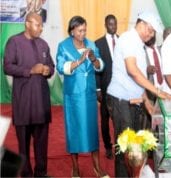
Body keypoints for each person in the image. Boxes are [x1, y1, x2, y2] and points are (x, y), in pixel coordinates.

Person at [106, 11, 171, 177]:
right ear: (142, 24)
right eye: (150, 31)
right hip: (121, 100)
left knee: (135, 147)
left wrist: (146, 102)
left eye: (153, 33)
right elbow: (133, 71)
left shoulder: (138, 44)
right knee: (125, 148)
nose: (151, 35)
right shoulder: (129, 39)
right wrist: (158, 92)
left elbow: (139, 79)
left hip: (134, 101)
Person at [56, 16, 109, 178]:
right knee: (74, 131)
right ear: (72, 30)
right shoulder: (63, 46)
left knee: (92, 130)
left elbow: (101, 66)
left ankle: (97, 167)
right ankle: (75, 168)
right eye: (80, 30)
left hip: (89, 95)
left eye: (85, 30)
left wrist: (94, 60)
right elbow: (60, 67)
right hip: (73, 96)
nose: (83, 33)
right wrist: (79, 61)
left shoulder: (91, 44)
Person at [3, 12, 54, 177]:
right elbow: (7, 67)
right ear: (27, 24)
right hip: (23, 103)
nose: (41, 28)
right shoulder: (14, 42)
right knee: (23, 145)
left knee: (42, 143)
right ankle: (26, 174)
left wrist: (47, 70)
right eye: (37, 25)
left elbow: (51, 67)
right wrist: (29, 70)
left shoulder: (44, 44)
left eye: (41, 25)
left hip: (41, 103)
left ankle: (41, 173)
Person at [94, 14, 118, 160]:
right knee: (105, 120)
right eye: (110, 24)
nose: (113, 27)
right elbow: (96, 69)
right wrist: (97, 89)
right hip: (105, 88)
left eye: (115, 24)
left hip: (120, 90)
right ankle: (108, 147)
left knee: (120, 119)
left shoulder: (122, 41)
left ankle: (119, 145)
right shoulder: (98, 43)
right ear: (105, 24)